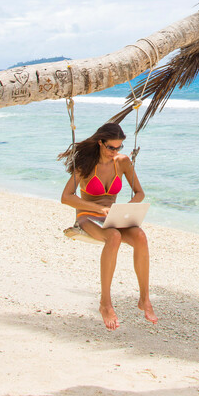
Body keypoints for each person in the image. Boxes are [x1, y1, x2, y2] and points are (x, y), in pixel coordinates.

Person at [58, 122, 157, 330]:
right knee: (113, 237)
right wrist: (94, 207)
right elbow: (66, 197)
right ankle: (105, 303)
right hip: (88, 216)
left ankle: (144, 299)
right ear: (101, 143)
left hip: (113, 216)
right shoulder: (85, 164)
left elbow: (139, 193)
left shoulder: (122, 162)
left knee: (140, 236)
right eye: (111, 147)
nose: (115, 152)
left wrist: (126, 209)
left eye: (119, 147)